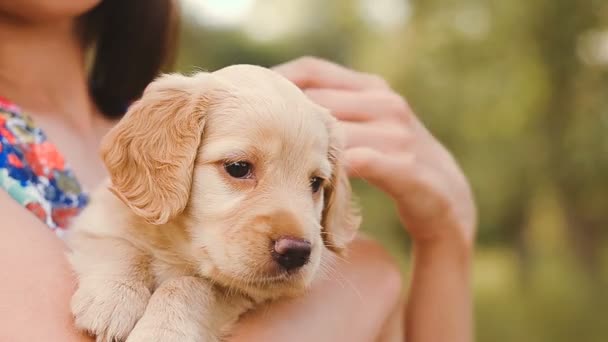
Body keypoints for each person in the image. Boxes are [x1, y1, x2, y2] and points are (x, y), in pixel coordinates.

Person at [0, 1, 476, 341]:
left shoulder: (166, 119)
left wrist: (445, 239)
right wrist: (370, 284)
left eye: (315, 183)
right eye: (238, 168)